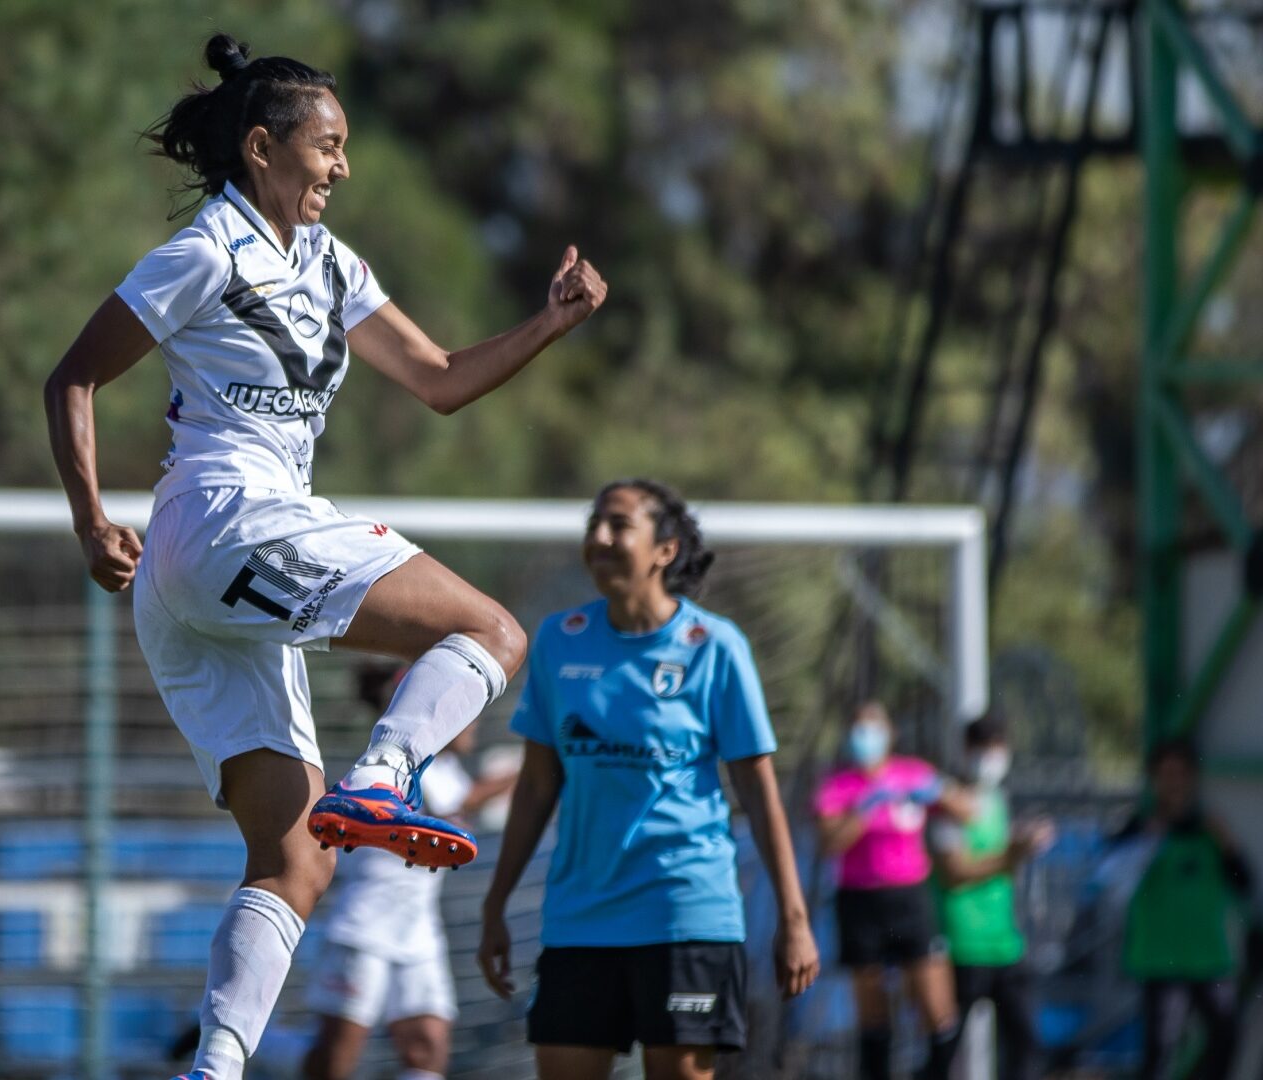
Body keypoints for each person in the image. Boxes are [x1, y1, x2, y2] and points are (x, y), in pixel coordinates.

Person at [42, 33, 608, 1080]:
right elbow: (72, 377)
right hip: (228, 519)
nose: (342, 167)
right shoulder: (206, 251)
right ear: (261, 149)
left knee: (296, 860)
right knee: (490, 630)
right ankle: (385, 775)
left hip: (196, 573)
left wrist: (550, 323)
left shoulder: (332, 264)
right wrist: (87, 520)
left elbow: (438, 377)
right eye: (328, 146)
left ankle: (212, 1070)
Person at [476, 480, 820, 1080]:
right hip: (581, 913)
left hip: (686, 910)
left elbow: (759, 795)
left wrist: (793, 918)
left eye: (618, 524)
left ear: (665, 549)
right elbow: (535, 787)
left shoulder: (715, 647)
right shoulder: (560, 639)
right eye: (593, 524)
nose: (599, 538)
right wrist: (496, 904)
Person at [302, 664, 516, 1080]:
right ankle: (260, 1045)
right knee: (336, 1056)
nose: (473, 723)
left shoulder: (447, 768)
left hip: (418, 930)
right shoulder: (399, 766)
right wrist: (530, 769)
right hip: (366, 925)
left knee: (428, 1047)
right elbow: (464, 801)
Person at [814, 702, 973, 1080]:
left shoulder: (912, 773)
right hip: (860, 901)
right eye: (857, 729)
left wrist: (939, 791)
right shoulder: (839, 785)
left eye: (872, 728)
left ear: (890, 734)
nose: (864, 738)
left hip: (909, 899)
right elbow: (830, 843)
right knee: (872, 1009)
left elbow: (968, 810)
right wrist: (865, 807)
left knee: (937, 1007)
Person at [1114, 739, 1252, 1080]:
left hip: (1209, 958)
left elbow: (1244, 885)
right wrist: (1144, 842)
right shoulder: (1139, 829)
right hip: (1161, 960)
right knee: (1161, 1048)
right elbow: (1109, 882)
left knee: (1227, 1036)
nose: (1174, 782)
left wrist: (1229, 846)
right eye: (1166, 774)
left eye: (1181, 774)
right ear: (1154, 779)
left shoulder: (1210, 831)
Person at [929, 714, 1055, 1080]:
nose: (991, 759)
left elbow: (1002, 863)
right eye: (984, 749)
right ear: (968, 751)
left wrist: (1024, 844)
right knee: (943, 1051)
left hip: (1005, 944)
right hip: (962, 944)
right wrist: (1013, 852)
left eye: (998, 749)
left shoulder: (997, 800)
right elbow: (954, 872)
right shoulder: (950, 805)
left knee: (1026, 1043)